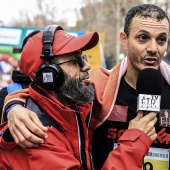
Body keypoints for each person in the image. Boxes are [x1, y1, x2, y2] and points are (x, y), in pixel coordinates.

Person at [0, 18, 159, 170]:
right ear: (49, 75)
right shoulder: (34, 134)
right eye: (75, 60)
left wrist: (13, 103)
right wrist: (135, 141)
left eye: (83, 57)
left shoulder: (75, 104)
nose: (87, 65)